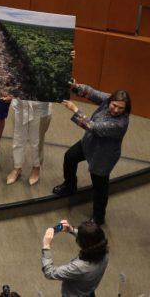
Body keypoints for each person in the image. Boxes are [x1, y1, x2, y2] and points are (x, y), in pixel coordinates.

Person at [54, 81, 131, 226]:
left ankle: (98, 217)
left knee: (100, 188)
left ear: (126, 108)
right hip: (89, 143)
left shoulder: (121, 123)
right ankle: (70, 186)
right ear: (111, 101)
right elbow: (92, 93)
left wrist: (75, 110)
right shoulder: (108, 99)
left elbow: (93, 127)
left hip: (103, 155)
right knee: (70, 157)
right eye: (114, 105)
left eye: (121, 108)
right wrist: (75, 87)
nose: (116, 110)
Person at [41, 219, 109, 297]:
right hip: (89, 290)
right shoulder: (105, 252)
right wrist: (71, 230)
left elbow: (49, 272)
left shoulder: (78, 267)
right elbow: (93, 240)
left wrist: (46, 246)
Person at [8, 97, 53, 186]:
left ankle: (36, 167)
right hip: (20, 104)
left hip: (40, 106)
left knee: (37, 141)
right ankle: (17, 167)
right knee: (18, 137)